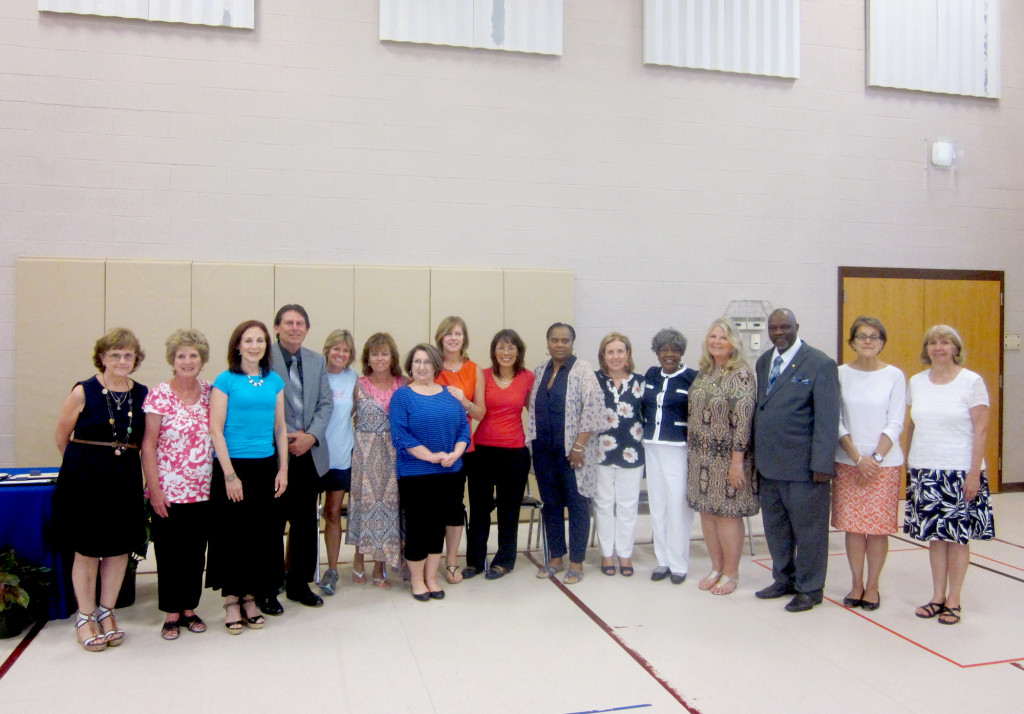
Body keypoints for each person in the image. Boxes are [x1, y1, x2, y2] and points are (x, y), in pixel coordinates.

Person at [54, 328, 148, 652]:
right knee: (88, 549)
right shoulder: (84, 391)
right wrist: (83, 469)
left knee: (119, 548)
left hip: (124, 478)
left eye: (128, 355)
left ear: (136, 359)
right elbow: (62, 436)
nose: (122, 360)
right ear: (102, 357)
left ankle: (107, 612)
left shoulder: (143, 394)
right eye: (115, 355)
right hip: (86, 479)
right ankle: (85, 616)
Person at [905, 325, 993, 625]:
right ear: (926, 349)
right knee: (935, 538)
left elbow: (981, 429)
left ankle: (954, 599)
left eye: (945, 342)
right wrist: (909, 463)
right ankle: (937, 596)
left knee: (957, 539)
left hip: (959, 471)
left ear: (956, 348)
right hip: (925, 470)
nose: (938, 347)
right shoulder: (917, 382)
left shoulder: (971, 382)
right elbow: (913, 425)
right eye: (932, 342)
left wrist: (973, 474)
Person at [753, 308, 840, 613]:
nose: (779, 332)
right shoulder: (764, 362)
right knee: (776, 529)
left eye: (785, 327)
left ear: (797, 327)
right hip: (769, 467)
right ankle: (784, 579)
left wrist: (822, 465)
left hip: (805, 469)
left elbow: (828, 421)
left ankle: (810, 587)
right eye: (773, 327)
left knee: (809, 532)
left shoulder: (820, 364)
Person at [207, 320, 289, 634]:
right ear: (237, 346)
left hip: (266, 467)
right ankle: (231, 599)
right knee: (233, 535)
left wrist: (283, 469)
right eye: (248, 340)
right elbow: (216, 429)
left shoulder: (274, 381)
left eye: (260, 340)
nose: (254, 345)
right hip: (233, 468)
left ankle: (251, 596)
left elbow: (280, 428)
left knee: (261, 535)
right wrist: (229, 475)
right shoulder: (225, 380)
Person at [141, 329, 215, 640]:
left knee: (196, 552)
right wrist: (154, 489)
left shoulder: (211, 392)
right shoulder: (160, 393)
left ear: (202, 360)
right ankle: (171, 612)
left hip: (204, 490)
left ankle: (189, 608)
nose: (187, 361)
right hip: (168, 491)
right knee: (170, 553)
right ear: (173, 361)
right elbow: (148, 444)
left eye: (193, 355)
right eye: (181, 356)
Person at [833, 317, 906, 611]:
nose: (867, 341)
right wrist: (856, 457)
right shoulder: (839, 374)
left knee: (876, 530)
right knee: (853, 528)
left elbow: (896, 420)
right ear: (851, 342)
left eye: (874, 336)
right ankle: (856, 584)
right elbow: (835, 419)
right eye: (861, 336)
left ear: (882, 342)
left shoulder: (894, 376)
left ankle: (873, 586)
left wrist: (875, 458)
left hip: (884, 465)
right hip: (848, 461)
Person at [389, 344, 472, 601]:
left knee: (437, 527)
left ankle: (432, 577)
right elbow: (400, 434)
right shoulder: (402, 396)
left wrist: (456, 453)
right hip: (415, 473)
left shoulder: (450, 395)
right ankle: (417, 580)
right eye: (417, 362)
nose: (422, 366)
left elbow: (463, 431)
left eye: (426, 362)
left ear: (435, 365)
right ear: (410, 366)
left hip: (449, 471)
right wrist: (431, 456)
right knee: (417, 526)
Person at [526, 323, 605, 585]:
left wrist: (579, 446)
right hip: (544, 451)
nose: (560, 345)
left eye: (565, 340)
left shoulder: (582, 370)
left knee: (578, 505)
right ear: (547, 342)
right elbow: (533, 403)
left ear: (573, 342)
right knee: (551, 505)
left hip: (574, 453)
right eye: (554, 340)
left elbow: (594, 409)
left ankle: (577, 562)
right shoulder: (540, 370)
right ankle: (556, 558)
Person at [686, 318, 757, 596]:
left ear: (734, 344)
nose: (716, 341)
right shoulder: (705, 371)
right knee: (707, 513)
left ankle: (731, 572)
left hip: (728, 458)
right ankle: (716, 567)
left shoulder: (740, 374)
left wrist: (737, 462)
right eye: (713, 336)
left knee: (727, 515)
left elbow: (743, 420)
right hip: (700, 457)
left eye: (723, 338)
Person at [270, 304, 333, 610]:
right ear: (277, 327)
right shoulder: (261, 358)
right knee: (271, 523)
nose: (294, 328)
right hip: (272, 455)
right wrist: (284, 439)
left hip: (308, 453)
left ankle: (299, 584)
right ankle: (268, 586)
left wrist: (310, 437)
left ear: (307, 329)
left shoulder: (316, 360)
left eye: (300, 323)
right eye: (288, 323)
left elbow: (326, 404)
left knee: (305, 523)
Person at [463, 329, 535, 580]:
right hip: (480, 451)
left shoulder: (528, 378)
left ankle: (504, 560)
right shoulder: (481, 375)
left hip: (514, 453)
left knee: (508, 510)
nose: (506, 353)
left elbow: (535, 413)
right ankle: (474, 561)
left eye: (511, 347)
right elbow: (472, 409)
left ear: (519, 351)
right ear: (494, 351)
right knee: (480, 509)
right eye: (501, 347)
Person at [347, 333, 405, 589]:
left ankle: (380, 566)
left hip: (394, 455)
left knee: (389, 510)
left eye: (384, 353)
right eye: (374, 353)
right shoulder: (357, 384)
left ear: (392, 357)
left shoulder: (403, 383)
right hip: (365, 454)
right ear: (367, 358)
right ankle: (359, 560)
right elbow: (342, 418)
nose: (379, 358)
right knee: (364, 507)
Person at [640, 328, 698, 584]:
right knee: (658, 505)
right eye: (663, 349)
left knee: (678, 506)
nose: (669, 354)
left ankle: (678, 564)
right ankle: (662, 560)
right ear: (656, 352)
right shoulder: (651, 375)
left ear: (682, 352)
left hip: (678, 448)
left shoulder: (692, 378)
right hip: (652, 446)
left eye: (674, 349)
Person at [433, 316, 486, 585]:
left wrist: (464, 401)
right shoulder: (429, 366)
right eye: (448, 333)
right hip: (429, 451)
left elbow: (480, 412)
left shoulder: (473, 369)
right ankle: (427, 562)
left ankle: (452, 562)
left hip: (461, 450)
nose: (453, 338)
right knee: (431, 508)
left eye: (458, 333)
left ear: (464, 338)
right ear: (440, 337)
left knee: (454, 508)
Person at [593, 332, 645, 578]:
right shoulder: (593, 380)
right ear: (603, 356)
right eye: (610, 352)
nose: (615, 356)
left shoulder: (641, 383)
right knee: (603, 505)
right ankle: (606, 553)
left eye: (619, 351)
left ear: (628, 355)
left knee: (627, 506)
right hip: (600, 454)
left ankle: (625, 553)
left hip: (631, 454)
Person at [318, 329, 358, 596]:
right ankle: (290, 569)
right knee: (303, 518)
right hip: (312, 455)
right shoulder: (315, 375)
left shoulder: (353, 378)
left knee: (332, 513)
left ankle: (332, 570)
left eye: (345, 350)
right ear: (327, 350)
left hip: (341, 456)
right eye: (336, 349)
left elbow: (354, 411)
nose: (340, 354)